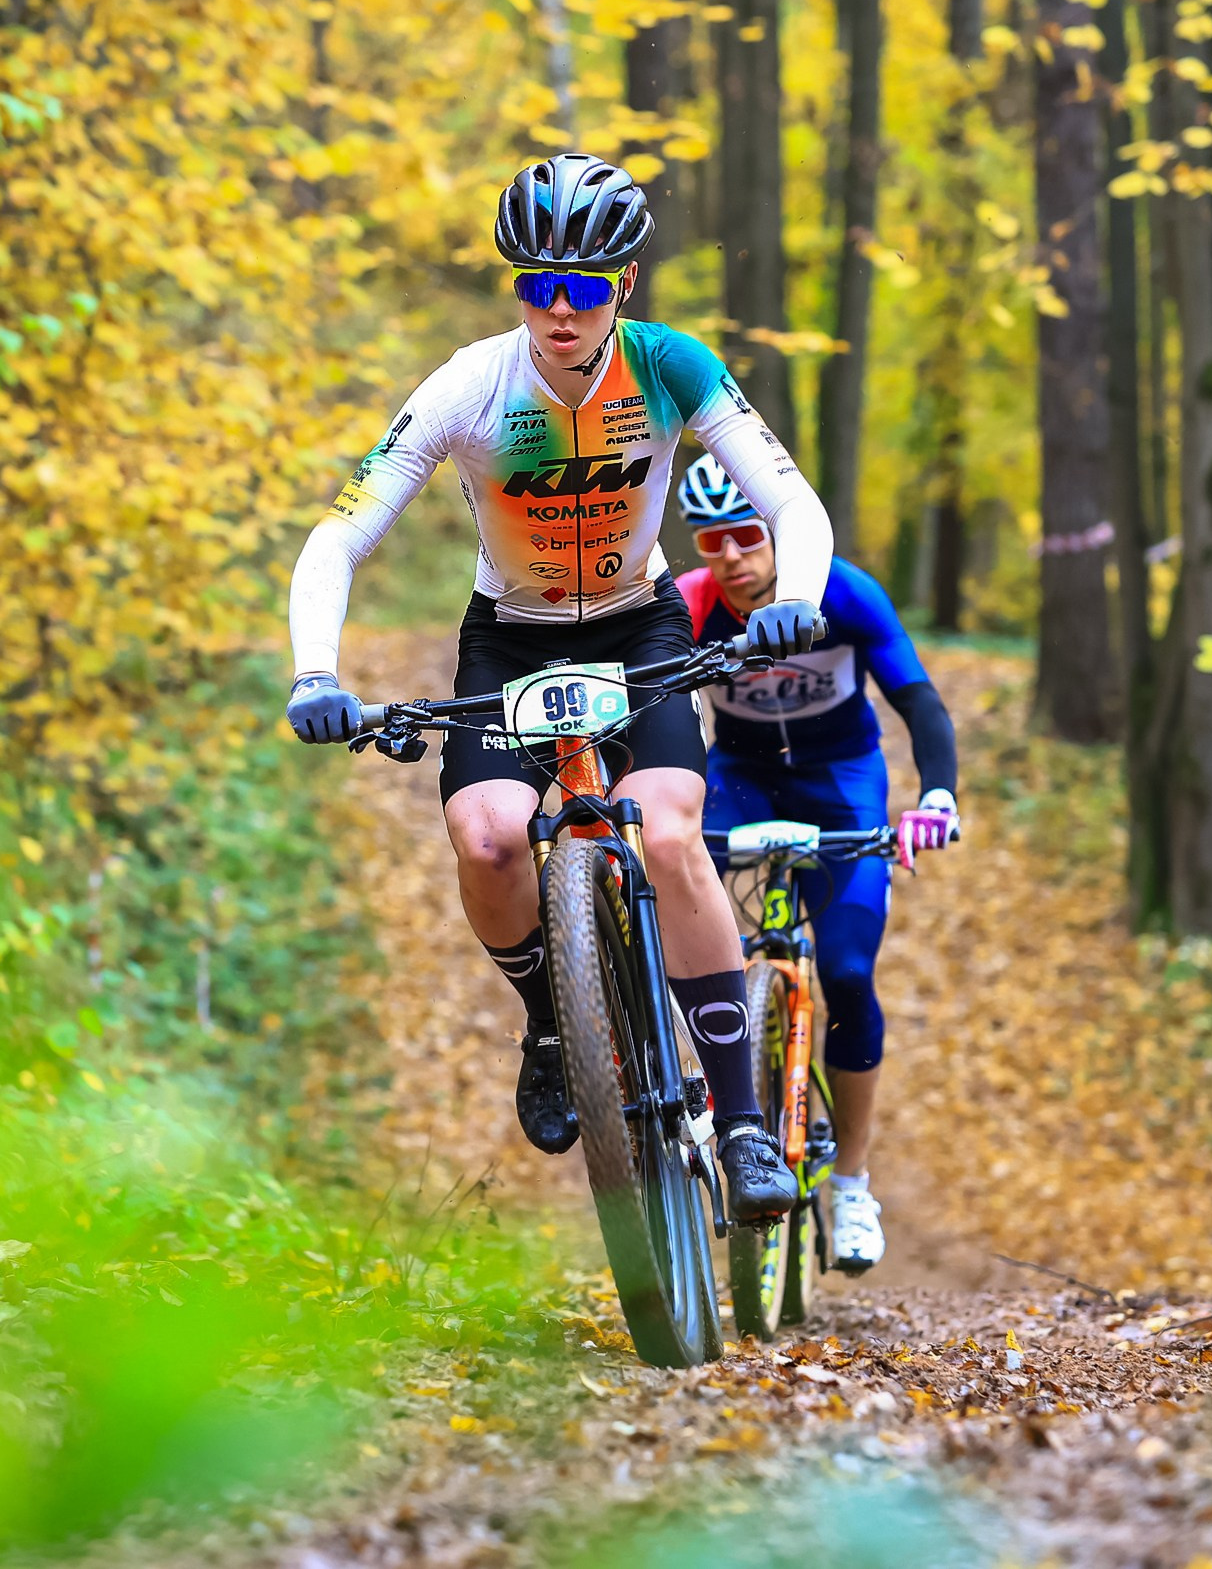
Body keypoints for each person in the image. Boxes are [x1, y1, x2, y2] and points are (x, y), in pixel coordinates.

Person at [281, 154, 833, 1224]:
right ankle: (551, 1019)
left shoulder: (672, 368)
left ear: (623, 284)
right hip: (512, 640)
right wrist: (316, 672)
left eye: (584, 288)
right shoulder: (470, 384)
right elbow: (337, 537)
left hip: (640, 626)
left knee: (669, 836)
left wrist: (792, 597)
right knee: (487, 837)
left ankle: (746, 1126)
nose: (560, 310)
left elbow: (792, 504)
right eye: (537, 285)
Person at [674, 453, 960, 1273]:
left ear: (777, 532)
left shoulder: (842, 592)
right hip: (743, 779)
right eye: (710, 539)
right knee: (675, 907)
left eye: (746, 535)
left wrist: (936, 795)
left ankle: (854, 1183)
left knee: (845, 969)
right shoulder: (692, 608)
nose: (730, 556)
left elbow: (918, 700)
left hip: (843, 785)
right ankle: (714, 1089)